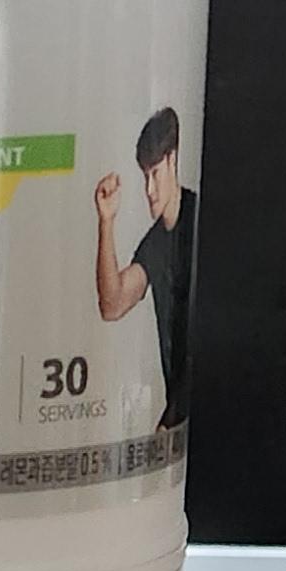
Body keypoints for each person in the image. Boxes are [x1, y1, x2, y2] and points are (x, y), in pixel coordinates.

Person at [93, 107, 198, 431]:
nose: (149, 190)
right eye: (145, 177)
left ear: (172, 160)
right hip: (178, 416)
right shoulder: (156, 242)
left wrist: (171, 418)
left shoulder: (198, 219)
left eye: (155, 174)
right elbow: (112, 305)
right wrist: (106, 221)